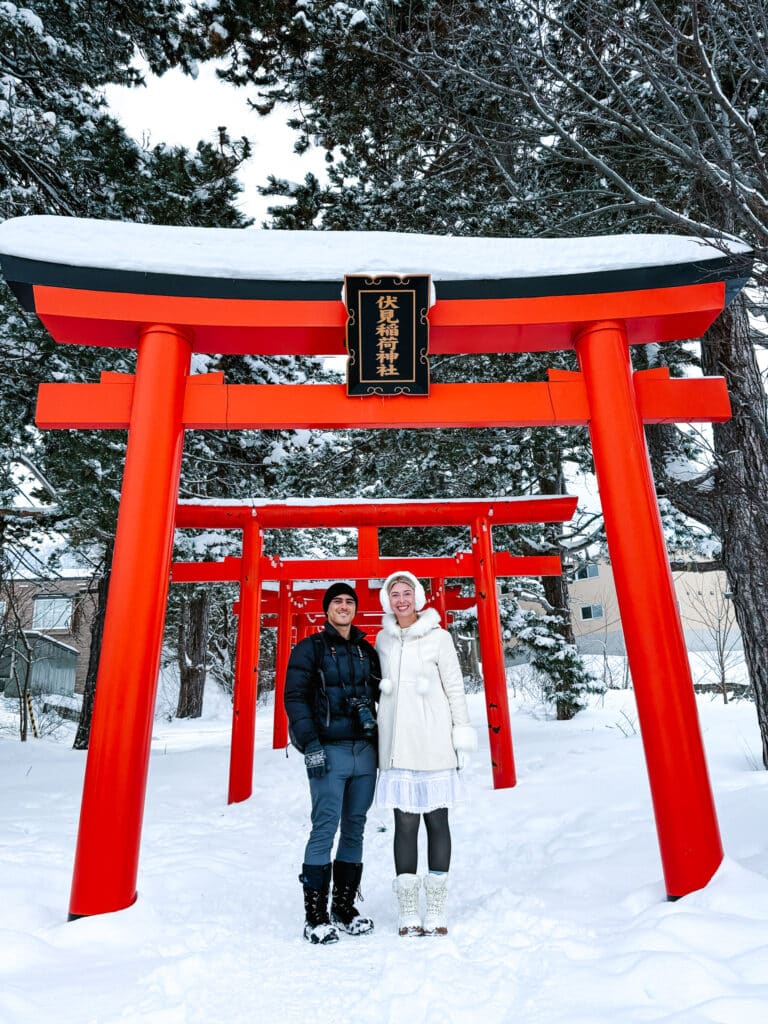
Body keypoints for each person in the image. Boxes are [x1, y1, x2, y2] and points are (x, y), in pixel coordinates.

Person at [375, 570, 477, 937]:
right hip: (398, 744)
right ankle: (407, 909)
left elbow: (455, 688)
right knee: (404, 824)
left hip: (433, 740)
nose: (401, 600)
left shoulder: (439, 638)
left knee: (437, 821)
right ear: (388, 601)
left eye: (406, 593)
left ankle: (435, 906)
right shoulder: (383, 641)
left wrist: (460, 735)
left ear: (417, 597)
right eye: (394, 594)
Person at [284, 582, 381, 944]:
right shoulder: (309, 649)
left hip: (365, 751)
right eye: (337, 601)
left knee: (355, 825)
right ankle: (315, 916)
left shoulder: (366, 653)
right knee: (325, 827)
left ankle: (344, 907)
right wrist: (310, 744)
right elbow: (294, 698)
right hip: (329, 749)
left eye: (349, 602)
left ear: (355, 609)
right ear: (327, 609)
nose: (343, 606)